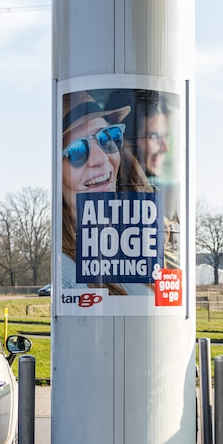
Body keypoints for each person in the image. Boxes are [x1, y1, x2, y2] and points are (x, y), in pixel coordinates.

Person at [60, 90, 154, 295]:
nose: (100, 159)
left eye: (107, 137)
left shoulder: (137, 243)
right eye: (77, 151)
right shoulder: (66, 273)